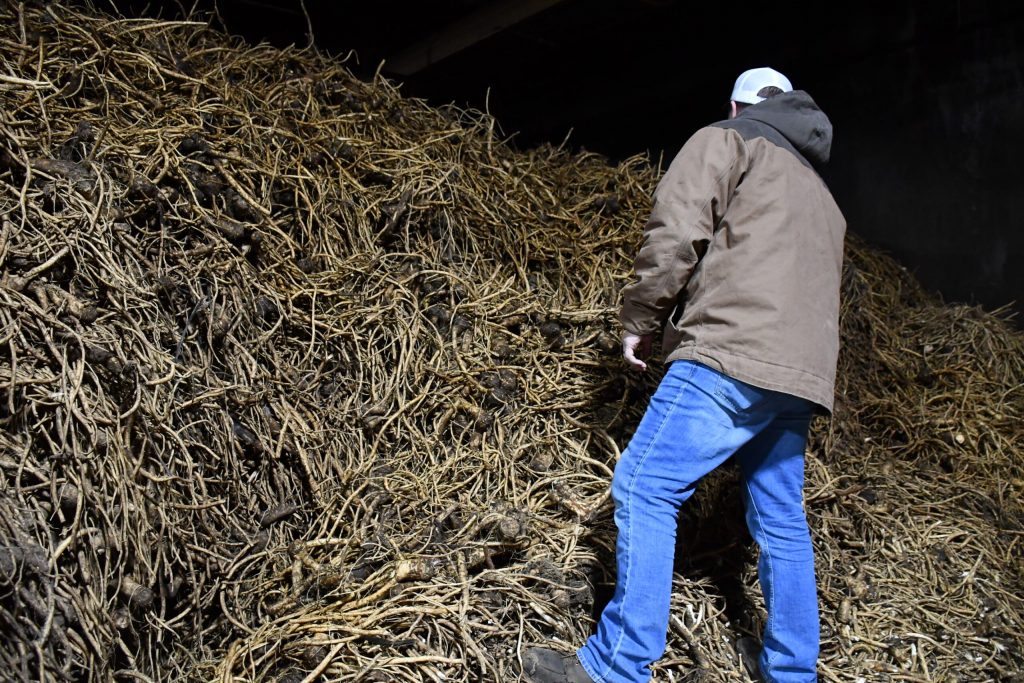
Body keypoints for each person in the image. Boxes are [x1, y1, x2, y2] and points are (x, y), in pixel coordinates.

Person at [523, 67, 846, 683]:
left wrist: (642, 317)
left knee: (645, 485)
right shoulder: (822, 195)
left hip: (730, 352)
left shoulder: (728, 140)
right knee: (780, 518)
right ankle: (793, 671)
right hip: (801, 374)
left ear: (735, 105)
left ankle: (617, 665)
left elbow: (676, 229)